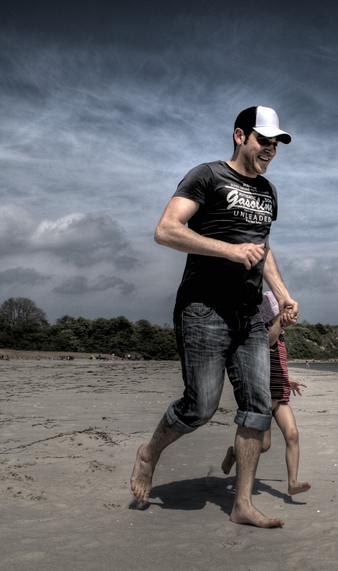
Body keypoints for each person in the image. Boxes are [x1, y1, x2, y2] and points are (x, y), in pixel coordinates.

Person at [129, 106, 298, 528]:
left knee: (258, 408)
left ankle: (242, 503)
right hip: (203, 309)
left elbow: (263, 247)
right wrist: (229, 250)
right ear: (241, 136)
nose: (271, 150)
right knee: (200, 407)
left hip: (250, 313)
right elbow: (166, 229)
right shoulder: (205, 176)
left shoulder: (269, 193)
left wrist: (282, 293)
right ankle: (149, 452)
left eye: (276, 144)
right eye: (264, 140)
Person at [221, 291, 310, 496]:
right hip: (264, 397)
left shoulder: (281, 338)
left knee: (293, 435)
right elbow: (268, 342)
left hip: (281, 394)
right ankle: (234, 452)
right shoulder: (262, 336)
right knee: (263, 445)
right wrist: (279, 320)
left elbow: (276, 365)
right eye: (278, 314)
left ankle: (292, 482)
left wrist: (290, 381)